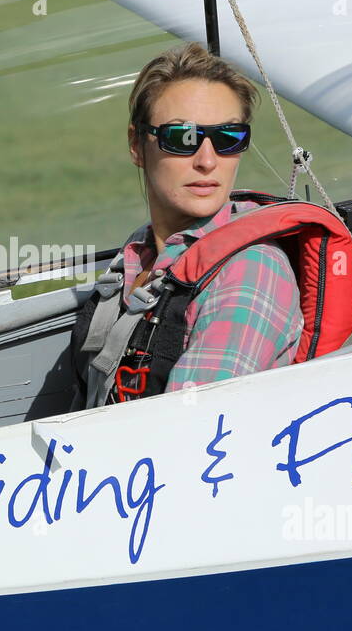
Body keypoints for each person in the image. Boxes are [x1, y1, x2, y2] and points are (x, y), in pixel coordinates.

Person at [71, 42, 305, 408]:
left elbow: (189, 433)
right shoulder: (141, 250)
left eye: (229, 138)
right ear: (137, 144)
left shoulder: (249, 271)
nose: (208, 161)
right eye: (182, 138)